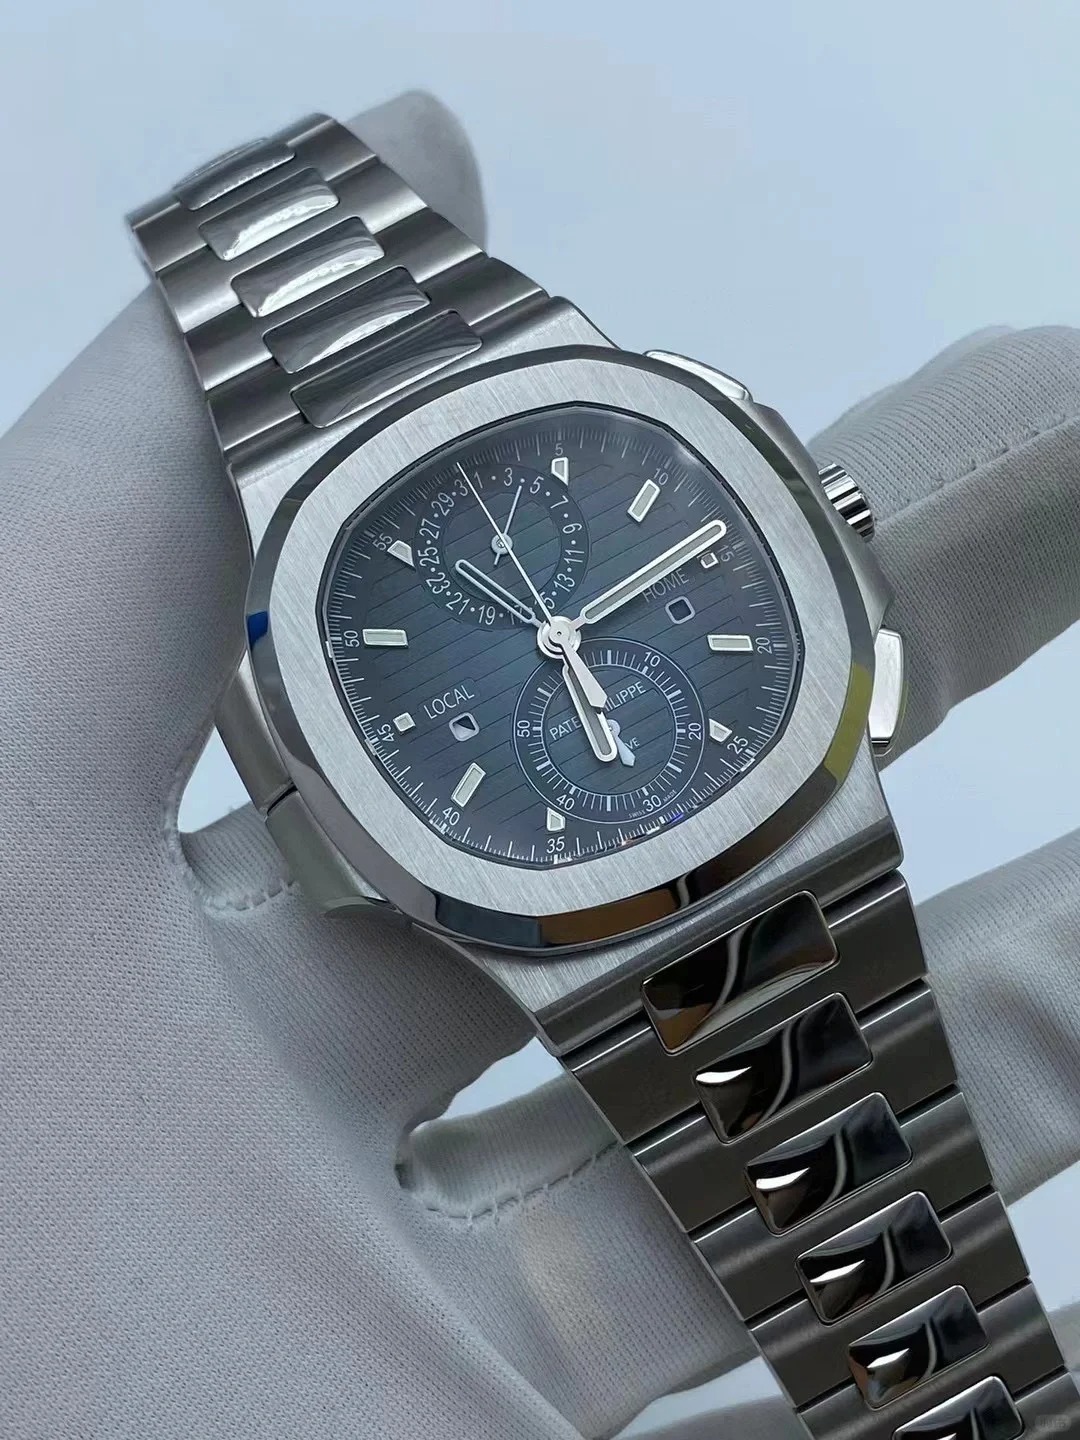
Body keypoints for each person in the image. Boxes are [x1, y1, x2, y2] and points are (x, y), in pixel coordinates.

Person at [2, 93, 1079, 1440]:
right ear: (313, 807)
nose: (560, 637)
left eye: (568, 625)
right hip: (578, 911)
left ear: (829, 526)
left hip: (788, 816)